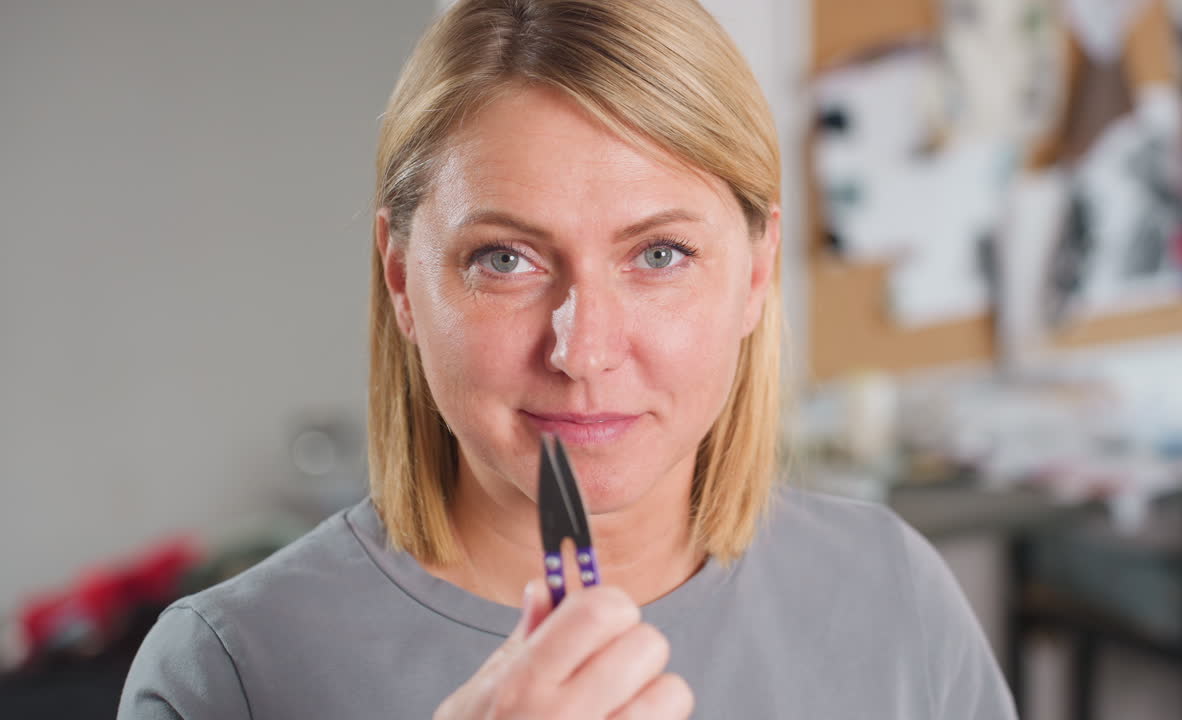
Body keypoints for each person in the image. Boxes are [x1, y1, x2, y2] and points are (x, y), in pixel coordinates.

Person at [118, 1, 1017, 718]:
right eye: (504, 260)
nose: (584, 352)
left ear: (757, 273)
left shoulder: (894, 592)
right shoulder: (227, 675)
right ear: (401, 280)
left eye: (660, 253)